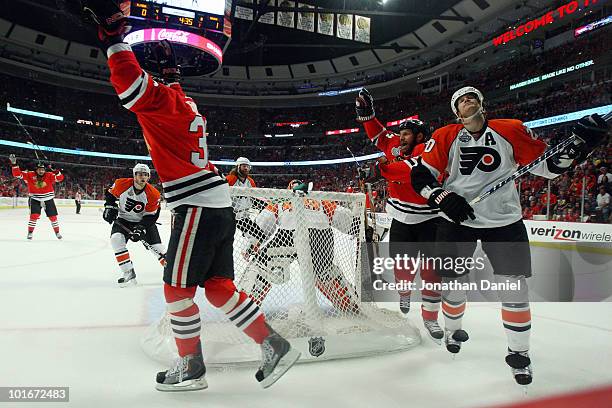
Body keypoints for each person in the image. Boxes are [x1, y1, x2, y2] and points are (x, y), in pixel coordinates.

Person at [81, 1, 299, 391]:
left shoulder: (161, 102)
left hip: (196, 204)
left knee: (176, 289)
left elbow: (129, 84)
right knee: (217, 286)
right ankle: (274, 343)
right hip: (215, 203)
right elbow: (170, 91)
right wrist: (171, 73)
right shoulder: (183, 101)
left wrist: (113, 39)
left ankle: (191, 365)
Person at [409, 86, 608, 385]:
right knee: (453, 283)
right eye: (461, 100)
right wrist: (440, 197)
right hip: (457, 220)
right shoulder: (445, 136)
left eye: (472, 96)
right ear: (456, 112)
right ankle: (453, 328)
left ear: (481, 104)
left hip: (504, 222)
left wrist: (580, 146)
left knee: (514, 290)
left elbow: (550, 167)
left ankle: (519, 354)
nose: (468, 100)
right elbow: (420, 175)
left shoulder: (511, 130)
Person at [356, 88, 443, 343]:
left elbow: (409, 170)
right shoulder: (395, 143)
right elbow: (380, 135)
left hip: (429, 219)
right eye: (400, 133)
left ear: (419, 136)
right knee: (403, 268)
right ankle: (405, 291)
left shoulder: (427, 149)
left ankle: (430, 318)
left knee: (432, 271)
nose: (400, 137)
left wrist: (379, 170)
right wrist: (367, 115)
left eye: (406, 134)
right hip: (402, 219)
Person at [243, 179, 359, 314]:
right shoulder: (320, 201)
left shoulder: (281, 202)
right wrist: (357, 226)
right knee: (324, 272)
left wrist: (252, 244)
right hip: (320, 234)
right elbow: (343, 217)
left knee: (262, 265)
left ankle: (245, 307)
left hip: (289, 234)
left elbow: (263, 223)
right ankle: (350, 304)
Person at [103, 163, 166, 287]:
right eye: (139, 174)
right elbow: (110, 194)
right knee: (116, 239)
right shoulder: (121, 184)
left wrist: (140, 229)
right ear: (134, 175)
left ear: (148, 177)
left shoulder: (153, 194)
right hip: (123, 220)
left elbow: (151, 216)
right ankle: (128, 271)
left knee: (158, 249)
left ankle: (171, 271)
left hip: (143, 222)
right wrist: (109, 207)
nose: (141, 177)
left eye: (145, 174)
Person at [9, 154, 64, 240]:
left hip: (48, 199)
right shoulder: (29, 175)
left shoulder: (49, 175)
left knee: (53, 217)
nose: (41, 171)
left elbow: (60, 178)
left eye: (43, 170)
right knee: (34, 216)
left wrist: (56, 171)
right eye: (39, 170)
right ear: (36, 170)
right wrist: (14, 164)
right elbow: (17, 174)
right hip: (35, 198)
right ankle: (30, 233)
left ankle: (57, 233)